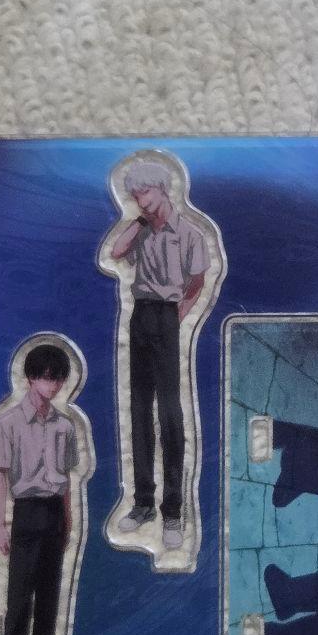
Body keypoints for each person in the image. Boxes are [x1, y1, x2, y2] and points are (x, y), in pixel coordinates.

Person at [110, 160, 209, 550]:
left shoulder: (189, 234)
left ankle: (173, 511)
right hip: (140, 316)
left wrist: (180, 313)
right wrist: (139, 219)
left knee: (170, 414)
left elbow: (198, 280)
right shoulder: (141, 229)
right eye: (135, 196)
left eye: (144, 193)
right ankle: (143, 503)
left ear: (163, 188)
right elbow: (116, 251)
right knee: (138, 411)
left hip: (168, 315)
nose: (140, 201)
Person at [0, 344, 78, 635]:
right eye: (45, 377)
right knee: (18, 612)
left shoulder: (65, 426)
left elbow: (67, 479)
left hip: (54, 516)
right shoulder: (8, 423)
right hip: (24, 515)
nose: (52, 385)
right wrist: (0, 525)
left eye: (58, 378)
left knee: (48, 612)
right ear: (29, 378)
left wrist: (68, 518)